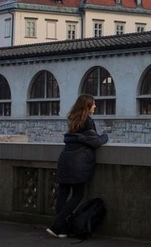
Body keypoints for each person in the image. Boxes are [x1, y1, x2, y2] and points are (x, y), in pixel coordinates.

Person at [46, 94, 109, 238]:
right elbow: (96, 141)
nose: (95, 106)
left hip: (65, 159)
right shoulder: (88, 121)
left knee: (62, 195)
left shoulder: (73, 119)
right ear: (87, 106)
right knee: (77, 195)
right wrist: (106, 136)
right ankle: (56, 225)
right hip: (78, 163)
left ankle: (61, 229)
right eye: (93, 104)